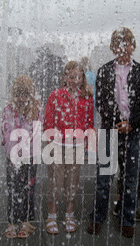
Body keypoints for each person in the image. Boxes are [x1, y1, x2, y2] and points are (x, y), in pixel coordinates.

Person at [87, 27, 140, 238]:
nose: (122, 48)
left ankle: (127, 219)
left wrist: (132, 123)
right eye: (118, 44)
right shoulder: (104, 70)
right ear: (113, 47)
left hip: (135, 132)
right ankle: (98, 217)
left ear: (132, 46)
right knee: (104, 176)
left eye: (126, 43)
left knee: (130, 178)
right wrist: (118, 122)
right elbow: (102, 102)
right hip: (110, 129)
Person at [43, 61, 94, 234]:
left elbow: (89, 122)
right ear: (65, 77)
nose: (75, 80)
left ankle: (69, 214)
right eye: (71, 76)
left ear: (82, 79)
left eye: (78, 77)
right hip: (57, 145)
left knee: (73, 182)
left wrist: (88, 141)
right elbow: (48, 121)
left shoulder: (86, 98)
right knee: (56, 183)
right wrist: (50, 142)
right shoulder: (55, 96)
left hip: (76, 146)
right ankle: (52, 215)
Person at [1, 75, 41, 239]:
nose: (22, 98)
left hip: (30, 156)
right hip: (13, 157)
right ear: (14, 94)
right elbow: (6, 131)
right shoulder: (8, 109)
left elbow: (37, 131)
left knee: (28, 189)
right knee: (13, 188)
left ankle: (25, 220)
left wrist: (25, 148)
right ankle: (11, 222)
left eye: (26, 95)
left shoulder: (36, 109)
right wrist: (14, 151)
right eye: (19, 94)